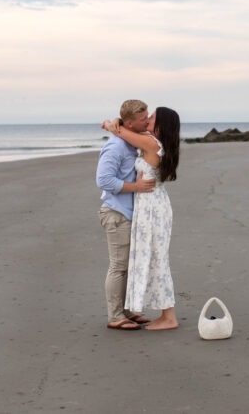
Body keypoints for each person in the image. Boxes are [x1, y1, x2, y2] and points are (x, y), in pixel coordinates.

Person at [102, 106, 181, 331]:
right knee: (154, 258)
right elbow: (126, 128)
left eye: (152, 117)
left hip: (152, 208)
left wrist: (110, 123)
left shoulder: (152, 144)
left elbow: (120, 132)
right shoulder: (152, 140)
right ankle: (157, 312)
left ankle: (169, 317)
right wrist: (119, 119)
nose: (147, 119)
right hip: (151, 205)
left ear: (160, 125)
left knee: (158, 260)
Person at [96, 100, 157, 330]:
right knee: (118, 266)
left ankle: (129, 310)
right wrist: (137, 188)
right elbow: (103, 180)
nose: (147, 121)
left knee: (130, 265)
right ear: (130, 123)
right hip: (116, 213)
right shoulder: (116, 147)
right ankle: (115, 316)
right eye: (143, 119)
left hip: (130, 214)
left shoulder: (131, 143)